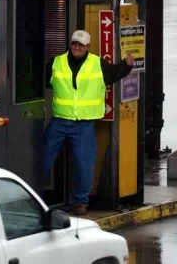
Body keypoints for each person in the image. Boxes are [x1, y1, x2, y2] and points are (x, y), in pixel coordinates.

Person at [44, 29, 134, 215]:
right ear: (70, 44)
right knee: (42, 160)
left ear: (88, 47)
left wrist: (127, 65)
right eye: (74, 43)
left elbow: (115, 73)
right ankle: (33, 198)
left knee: (84, 164)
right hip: (59, 121)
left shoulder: (97, 63)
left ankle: (80, 203)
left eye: (81, 45)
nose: (77, 47)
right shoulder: (56, 63)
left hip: (83, 124)